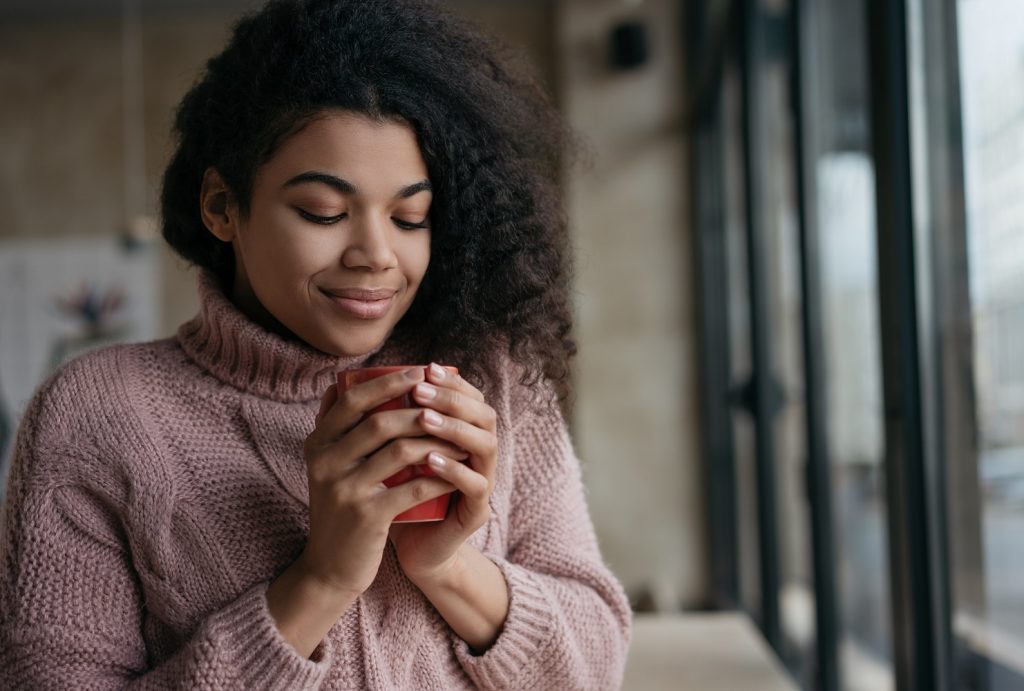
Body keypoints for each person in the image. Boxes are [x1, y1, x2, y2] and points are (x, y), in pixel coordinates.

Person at [0, 0, 632, 688]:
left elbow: (597, 660)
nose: (376, 254)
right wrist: (321, 579)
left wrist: (447, 565)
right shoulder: (97, 411)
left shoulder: (491, 375)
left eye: (410, 216)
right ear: (221, 206)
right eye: (323, 212)